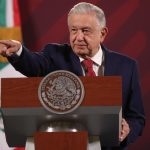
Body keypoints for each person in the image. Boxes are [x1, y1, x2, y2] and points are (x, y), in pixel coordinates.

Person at [0, 2, 145, 150]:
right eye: (74, 30)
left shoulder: (127, 66)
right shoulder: (55, 55)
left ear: (102, 33)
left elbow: (137, 117)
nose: (79, 37)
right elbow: (34, 64)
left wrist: (128, 130)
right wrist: (19, 52)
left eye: (85, 31)